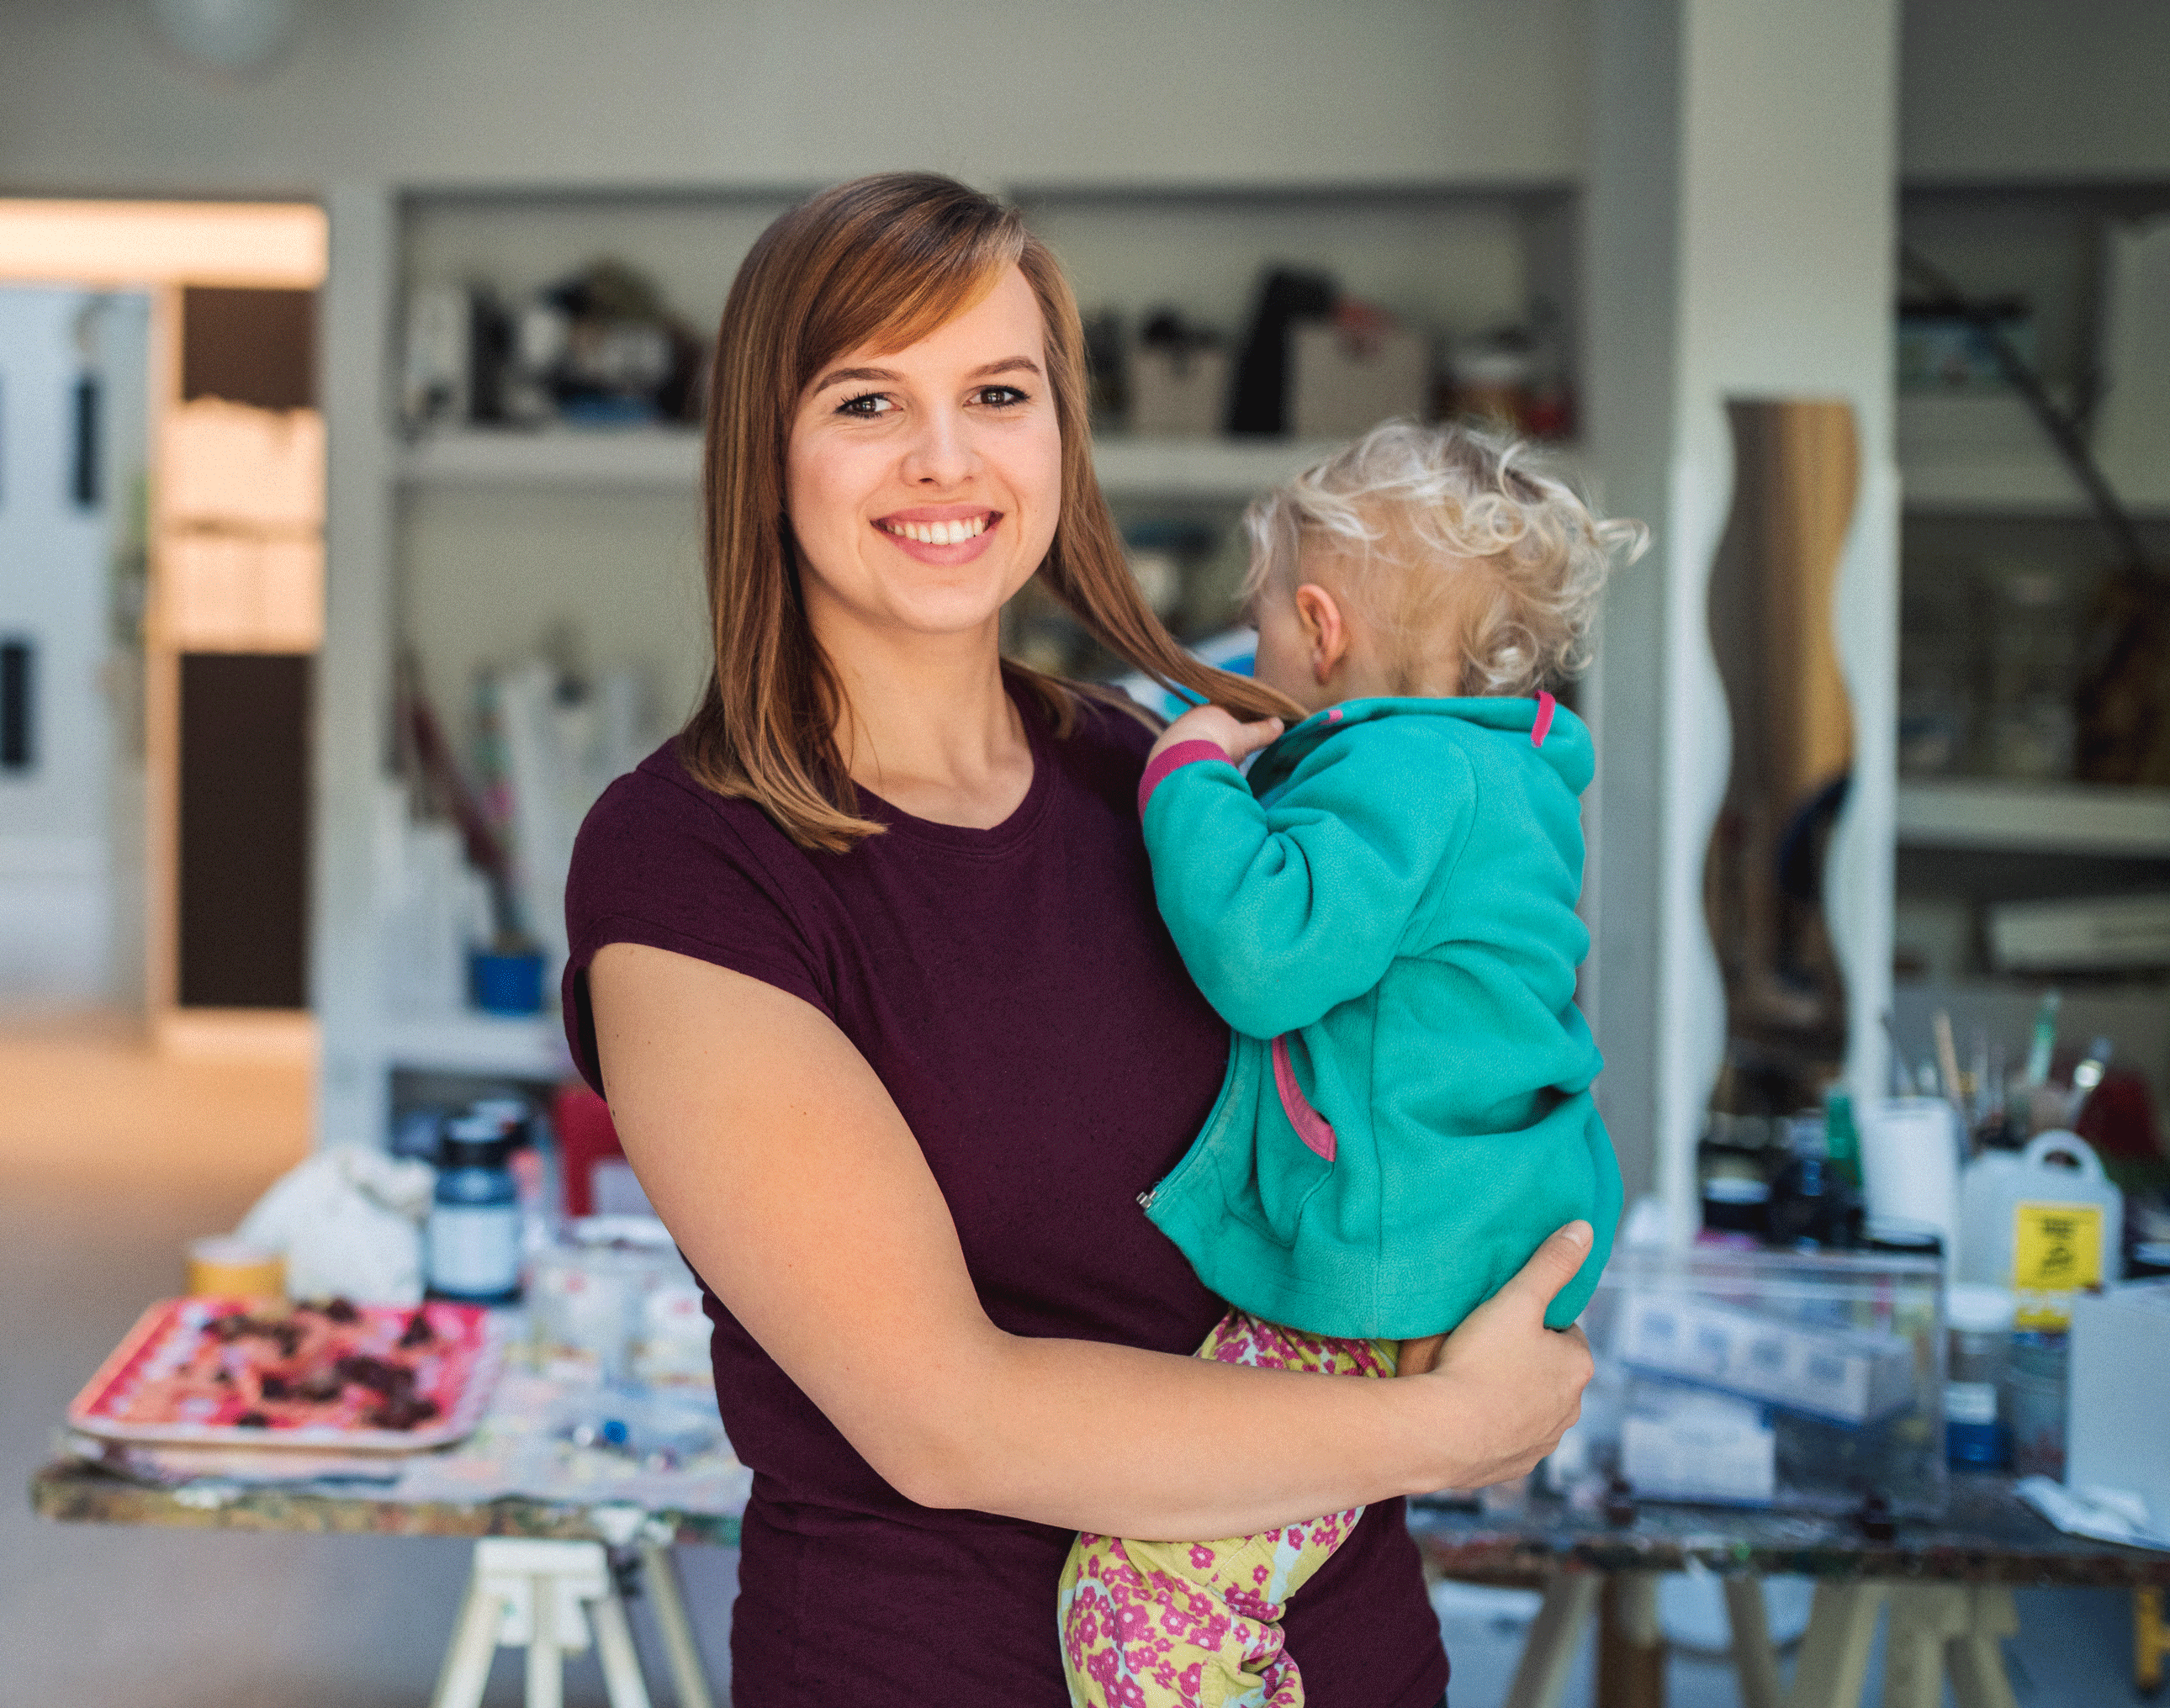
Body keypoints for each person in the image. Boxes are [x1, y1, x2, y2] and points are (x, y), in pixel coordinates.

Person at [562, 174, 1595, 1706]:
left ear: (1060, 432)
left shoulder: (1166, 784)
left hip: (1343, 1653)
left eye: (998, 391)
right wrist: (1459, 1426)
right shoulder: (693, 869)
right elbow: (948, 1416)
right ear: (765, 450)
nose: (946, 458)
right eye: (866, 400)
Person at [1060, 421, 1647, 1705]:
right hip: (1471, 1231)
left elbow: (1268, 951)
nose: (1247, 649)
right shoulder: (1497, 769)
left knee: (1142, 1588)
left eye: (1258, 621)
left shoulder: (1408, 773)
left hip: (1393, 1250)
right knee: (1243, 1565)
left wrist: (1188, 775)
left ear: (1319, 630)